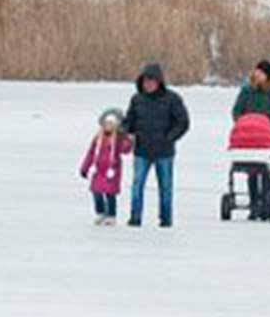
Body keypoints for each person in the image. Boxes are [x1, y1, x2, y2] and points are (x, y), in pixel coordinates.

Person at [123, 63, 189, 228]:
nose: (148, 84)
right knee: (137, 185)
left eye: (152, 81)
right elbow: (129, 120)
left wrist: (170, 138)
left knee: (166, 188)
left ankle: (166, 220)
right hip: (142, 150)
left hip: (164, 152)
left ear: (159, 82)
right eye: (145, 81)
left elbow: (183, 122)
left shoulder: (172, 99)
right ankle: (135, 218)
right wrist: (124, 129)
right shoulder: (137, 99)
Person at [231, 59, 270, 219]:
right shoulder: (246, 91)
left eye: (261, 73)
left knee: (266, 171)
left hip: (267, 139)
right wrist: (243, 126)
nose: (257, 75)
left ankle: (265, 201)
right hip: (249, 138)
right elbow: (236, 111)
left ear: (267, 76)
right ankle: (254, 204)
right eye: (256, 71)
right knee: (252, 171)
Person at [79, 108, 134, 225]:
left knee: (110, 194)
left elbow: (125, 150)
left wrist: (129, 140)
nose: (108, 126)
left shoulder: (118, 139)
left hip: (112, 170)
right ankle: (100, 212)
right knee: (96, 192)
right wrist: (85, 167)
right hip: (98, 170)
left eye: (111, 124)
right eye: (107, 124)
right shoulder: (98, 138)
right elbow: (91, 153)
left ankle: (111, 214)